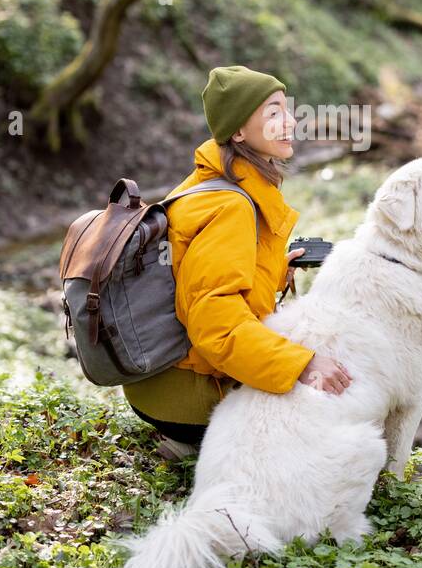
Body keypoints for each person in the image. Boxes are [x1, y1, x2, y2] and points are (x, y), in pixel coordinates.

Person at [122, 64, 352, 457]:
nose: (289, 121)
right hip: (181, 394)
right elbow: (216, 323)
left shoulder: (214, 182)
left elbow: (211, 284)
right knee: (331, 404)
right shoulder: (230, 206)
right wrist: (302, 365)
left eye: (287, 109)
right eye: (273, 113)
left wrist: (279, 269)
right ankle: (193, 444)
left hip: (162, 378)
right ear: (239, 132)